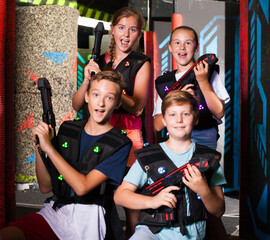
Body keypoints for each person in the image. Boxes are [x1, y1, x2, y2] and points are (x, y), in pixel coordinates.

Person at [0, 71, 132, 240]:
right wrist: (40, 146)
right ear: (86, 96)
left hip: (90, 220)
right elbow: (46, 186)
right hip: (56, 212)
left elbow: (82, 187)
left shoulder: (119, 144)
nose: (101, 103)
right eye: (96, 94)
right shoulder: (69, 129)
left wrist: (50, 150)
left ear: (118, 103)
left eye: (109, 97)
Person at [72, 8, 151, 237]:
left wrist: (109, 84)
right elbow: (78, 104)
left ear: (138, 34)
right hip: (97, 133)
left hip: (128, 135)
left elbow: (137, 106)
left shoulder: (140, 62)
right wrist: (89, 79)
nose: (126, 34)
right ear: (112, 30)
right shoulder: (97, 60)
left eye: (133, 29)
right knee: (95, 195)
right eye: (122, 27)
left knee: (130, 199)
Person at [114, 90, 225, 240]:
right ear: (164, 120)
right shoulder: (148, 157)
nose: (179, 120)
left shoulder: (208, 158)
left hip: (192, 234)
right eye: (172, 115)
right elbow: (120, 196)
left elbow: (218, 211)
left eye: (185, 114)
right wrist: (152, 201)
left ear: (196, 119)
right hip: (153, 232)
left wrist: (204, 190)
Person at [153, 26, 230, 239]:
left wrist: (203, 82)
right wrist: (175, 97)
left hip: (204, 144)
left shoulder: (208, 72)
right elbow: (158, 125)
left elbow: (219, 111)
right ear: (169, 47)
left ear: (196, 47)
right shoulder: (166, 83)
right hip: (176, 145)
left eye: (188, 43)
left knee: (208, 201)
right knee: (180, 200)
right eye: (177, 42)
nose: (182, 47)